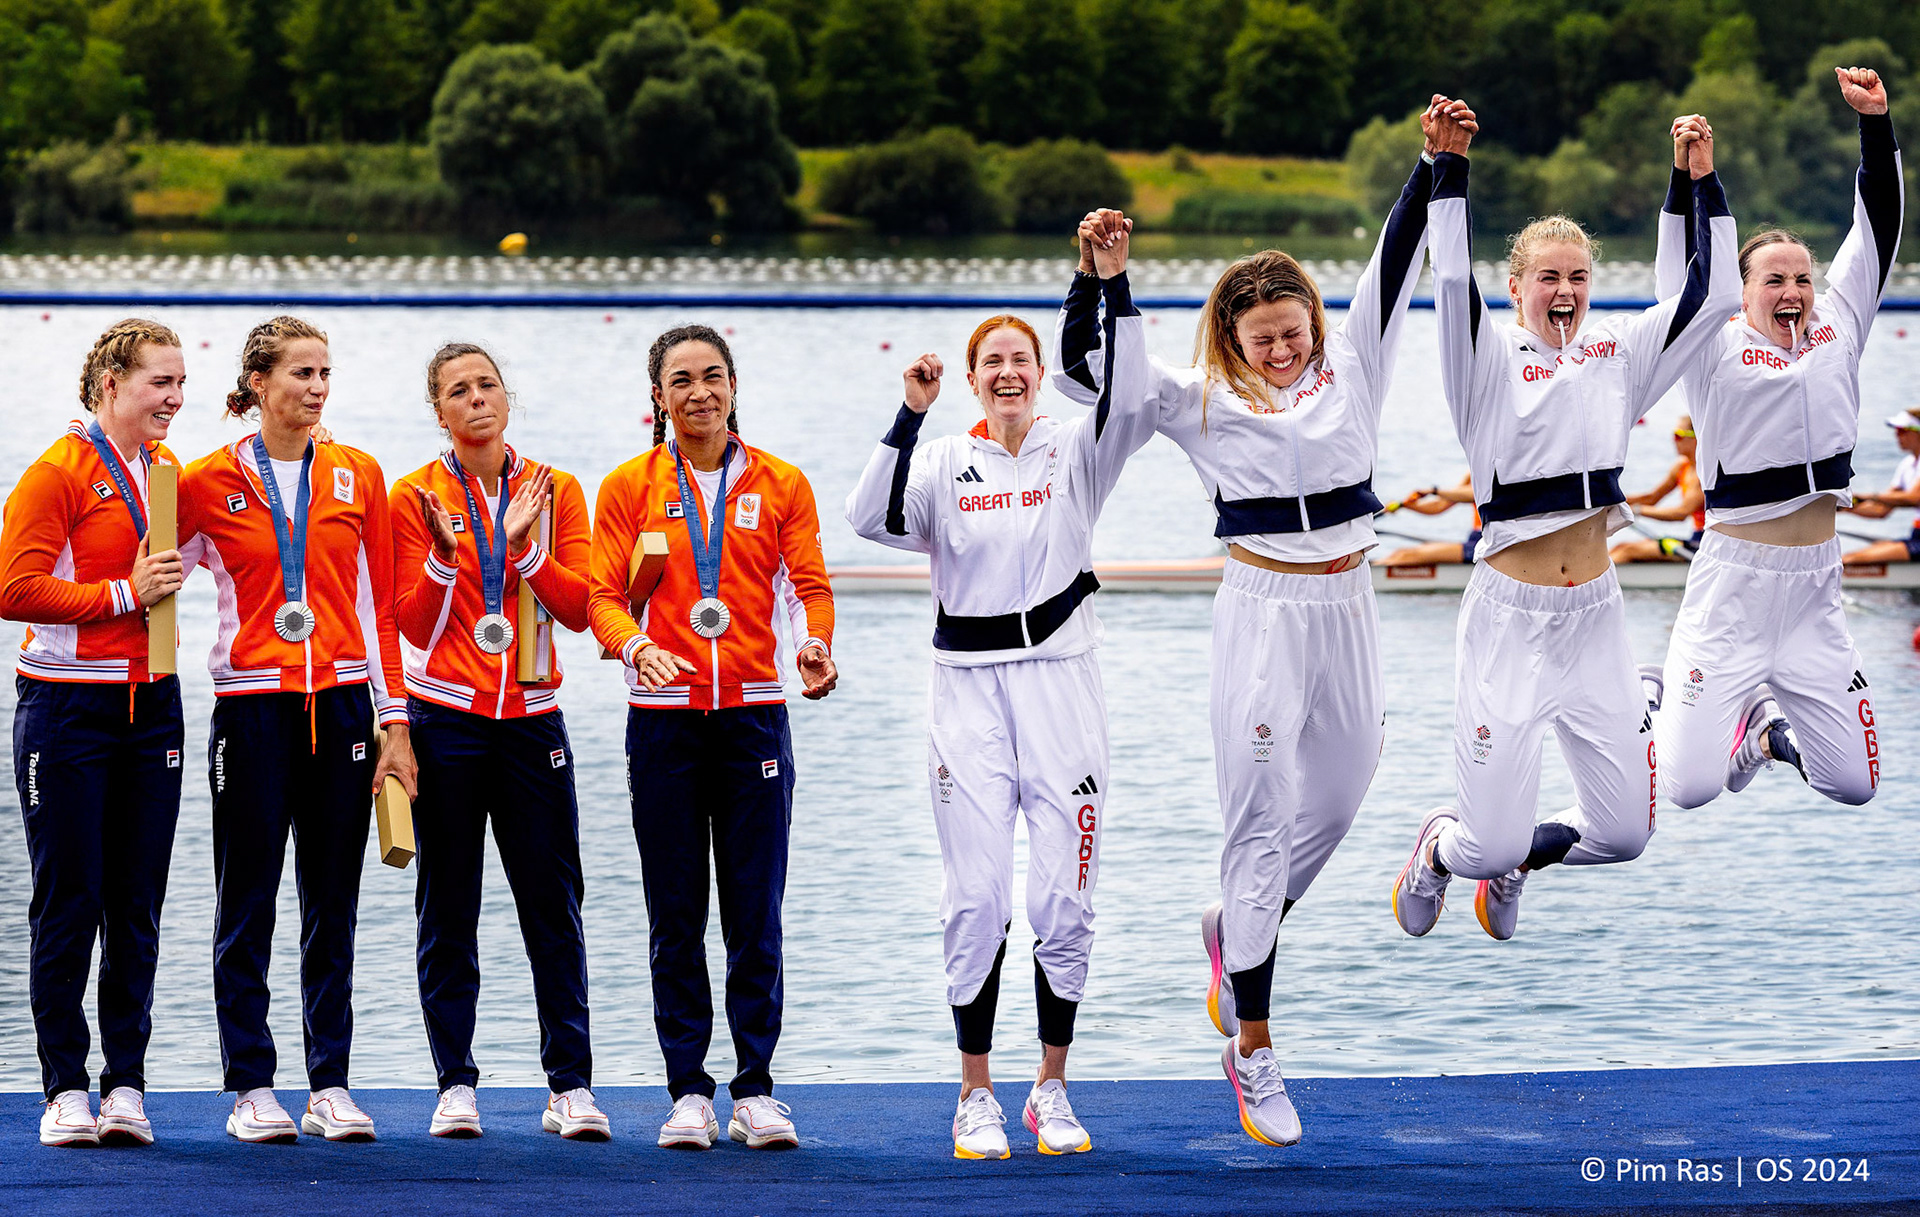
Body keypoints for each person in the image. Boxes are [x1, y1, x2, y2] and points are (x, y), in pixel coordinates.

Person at [1053, 114, 1435, 1148]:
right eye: (1261, 336)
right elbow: (1092, 378)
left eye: (1292, 329)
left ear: (1312, 319)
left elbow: (1396, 266)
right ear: (1231, 338)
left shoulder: (1355, 363)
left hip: (1348, 605)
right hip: (1262, 609)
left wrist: (1434, 164)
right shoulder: (1197, 398)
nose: (1281, 347)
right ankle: (1254, 1047)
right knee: (1259, 824)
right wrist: (1101, 278)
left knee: (1340, 797)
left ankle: (1235, 925)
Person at [1392, 104, 1739, 941]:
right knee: (1485, 841)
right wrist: (1450, 169)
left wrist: (1698, 180)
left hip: (1594, 616)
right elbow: (1449, 279)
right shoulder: (1484, 362)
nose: (1565, 291)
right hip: (1508, 621)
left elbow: (1716, 293)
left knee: (1623, 833)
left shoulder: (1618, 352)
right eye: (1548, 277)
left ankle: (1521, 860)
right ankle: (1440, 851)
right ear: (1517, 288)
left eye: (1578, 276)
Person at [845, 229, 1156, 1159]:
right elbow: (868, 517)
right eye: (993, 363)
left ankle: (1050, 1086)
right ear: (974, 382)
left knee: (1065, 900)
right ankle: (974, 1091)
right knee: (977, 898)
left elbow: (1130, 390)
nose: (1010, 372)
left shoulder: (1078, 449)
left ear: (1039, 373)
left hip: (1063, 686)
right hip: (967, 694)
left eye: (1022, 359)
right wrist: (908, 415)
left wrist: (1106, 283)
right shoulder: (944, 460)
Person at [589, 324, 837, 1152]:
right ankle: (689, 1090)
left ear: (734, 385)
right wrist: (637, 645)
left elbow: (806, 586)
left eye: (713, 375)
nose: (700, 391)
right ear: (658, 397)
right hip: (663, 719)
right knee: (675, 913)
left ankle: (755, 1089)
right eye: (682, 380)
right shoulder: (628, 486)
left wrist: (812, 645)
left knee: (754, 911)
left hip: (753, 714)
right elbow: (601, 596)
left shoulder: (780, 481)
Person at [175, 316, 413, 1144]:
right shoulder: (203, 481)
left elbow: (380, 607)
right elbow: (152, 575)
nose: (317, 387)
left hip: (343, 705)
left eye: (324, 373)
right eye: (301, 373)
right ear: (258, 383)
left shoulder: (357, 473)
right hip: (251, 709)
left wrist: (395, 719)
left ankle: (329, 1084)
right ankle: (250, 1085)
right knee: (247, 900)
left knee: (332, 902)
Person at [1650, 68, 1900, 808]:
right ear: (1741, 291)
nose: (1792, 292)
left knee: (1853, 784)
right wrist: (1688, 180)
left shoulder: (1839, 327)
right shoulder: (1712, 345)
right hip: (1734, 587)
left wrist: (1876, 124)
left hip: (1817, 587)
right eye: (1773, 281)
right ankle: (1651, 691)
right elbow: (1674, 276)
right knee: (1690, 789)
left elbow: (1878, 230)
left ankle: (1764, 734)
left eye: (1801, 279)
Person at [390, 343, 606, 1140]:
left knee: (554, 906)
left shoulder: (555, 490)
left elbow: (579, 610)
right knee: (448, 906)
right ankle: (455, 1083)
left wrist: (524, 549)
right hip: (444, 718)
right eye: (459, 390)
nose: (477, 398)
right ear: (439, 411)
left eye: (487, 385)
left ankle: (570, 1086)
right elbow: (411, 624)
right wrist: (447, 558)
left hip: (532, 719)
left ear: (507, 399)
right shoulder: (414, 494)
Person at [1, 320, 187, 1148]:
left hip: (153, 706)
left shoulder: (165, 470)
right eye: (159, 382)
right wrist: (122, 594)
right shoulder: (57, 471)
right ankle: (64, 1088)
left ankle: (127, 1086)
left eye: (180, 384)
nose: (174, 398)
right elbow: (13, 587)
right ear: (111, 383)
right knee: (70, 898)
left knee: (136, 902)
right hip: (66, 708)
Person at [1610, 416, 1706, 563]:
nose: (1674, 441)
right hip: (1694, 538)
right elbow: (1652, 498)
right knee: (1620, 547)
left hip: (1705, 544)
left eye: (1678, 435)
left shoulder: (1704, 474)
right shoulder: (1682, 467)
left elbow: (1681, 513)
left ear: (1696, 438)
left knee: (1627, 551)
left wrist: (1636, 510)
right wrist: (1613, 501)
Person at [1841, 409, 1920, 565]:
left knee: (1850, 560)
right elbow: (1881, 510)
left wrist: (1867, 496)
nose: (1897, 436)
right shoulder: (1907, 465)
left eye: (1902, 430)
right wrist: (1844, 507)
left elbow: (1914, 498)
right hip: (1916, 536)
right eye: (1896, 431)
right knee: (1849, 556)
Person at [1379, 474, 1480, 566]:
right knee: (1400, 553)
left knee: (1407, 556)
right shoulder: (1471, 474)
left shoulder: (1489, 474)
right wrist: (1402, 505)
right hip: (1474, 539)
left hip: (1486, 544)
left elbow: (1476, 493)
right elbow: (1439, 505)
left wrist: (1434, 491)